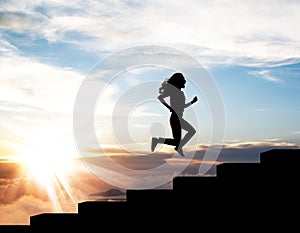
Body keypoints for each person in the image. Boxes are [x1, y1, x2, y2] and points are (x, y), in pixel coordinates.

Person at [151, 72, 198, 157]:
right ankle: (158, 141)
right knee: (179, 140)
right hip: (175, 118)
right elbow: (160, 97)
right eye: (183, 80)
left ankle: (177, 147)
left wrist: (192, 102)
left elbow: (182, 106)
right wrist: (169, 108)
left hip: (179, 118)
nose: (185, 82)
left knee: (191, 131)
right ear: (179, 81)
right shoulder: (174, 91)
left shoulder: (180, 92)